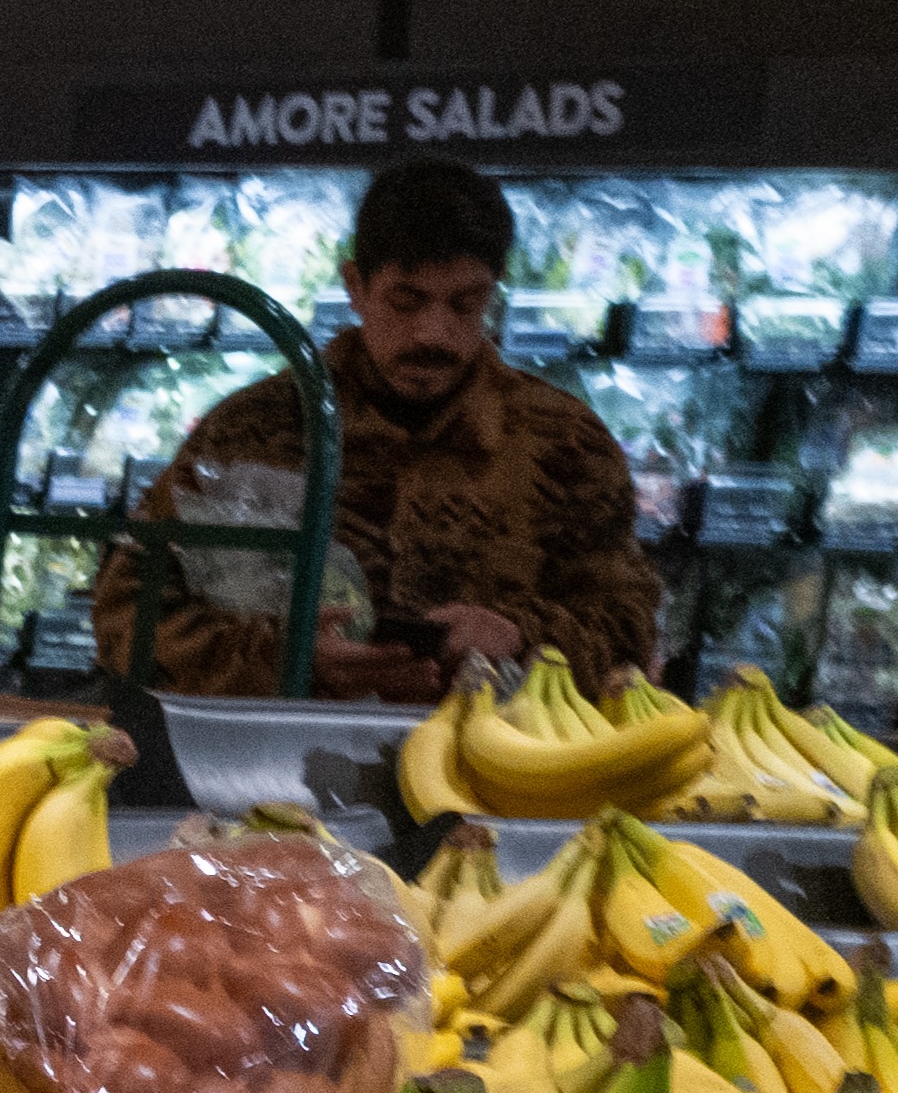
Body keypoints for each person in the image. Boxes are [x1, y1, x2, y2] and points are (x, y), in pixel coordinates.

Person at [91, 158, 656, 700]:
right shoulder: (249, 432)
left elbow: (631, 629)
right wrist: (286, 658)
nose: (433, 333)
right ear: (355, 287)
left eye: (465, 304)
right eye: (405, 302)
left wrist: (518, 636)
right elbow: (127, 609)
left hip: (499, 772)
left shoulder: (567, 444)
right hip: (278, 767)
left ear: (495, 292)